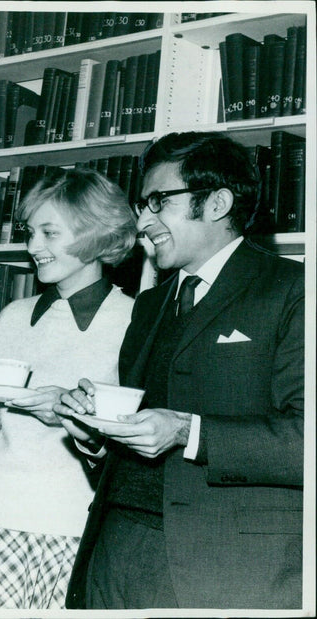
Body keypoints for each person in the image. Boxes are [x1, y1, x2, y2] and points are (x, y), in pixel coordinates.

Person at [54, 131, 304, 609]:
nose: (142, 220)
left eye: (158, 201)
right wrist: (94, 436)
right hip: (114, 549)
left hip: (222, 565)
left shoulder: (293, 290)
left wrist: (188, 432)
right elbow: (137, 438)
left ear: (217, 203)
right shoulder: (149, 305)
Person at [0, 168, 137, 609]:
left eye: (49, 233)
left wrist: (78, 420)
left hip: (76, 529)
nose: (32, 248)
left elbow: (133, 453)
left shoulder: (135, 321)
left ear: (96, 234)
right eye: (31, 233)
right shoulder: (13, 316)